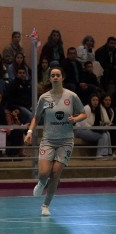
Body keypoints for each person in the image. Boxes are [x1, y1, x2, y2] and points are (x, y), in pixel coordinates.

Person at [24, 67, 87, 216]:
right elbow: (36, 117)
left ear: (62, 78)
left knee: (55, 173)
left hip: (66, 141)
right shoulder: (44, 98)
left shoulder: (71, 96)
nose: (56, 77)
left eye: (58, 75)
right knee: (44, 173)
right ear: (50, 79)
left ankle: (46, 205)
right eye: (53, 75)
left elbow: (83, 113)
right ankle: (41, 182)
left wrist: (75, 119)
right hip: (48, 140)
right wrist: (30, 132)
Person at [75, 93, 112, 159]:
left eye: (97, 100)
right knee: (102, 136)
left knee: (107, 133)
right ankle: (99, 155)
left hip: (88, 129)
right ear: (90, 101)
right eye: (93, 100)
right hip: (80, 130)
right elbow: (83, 124)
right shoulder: (87, 108)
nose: (95, 102)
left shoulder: (94, 109)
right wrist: (94, 129)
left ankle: (107, 154)